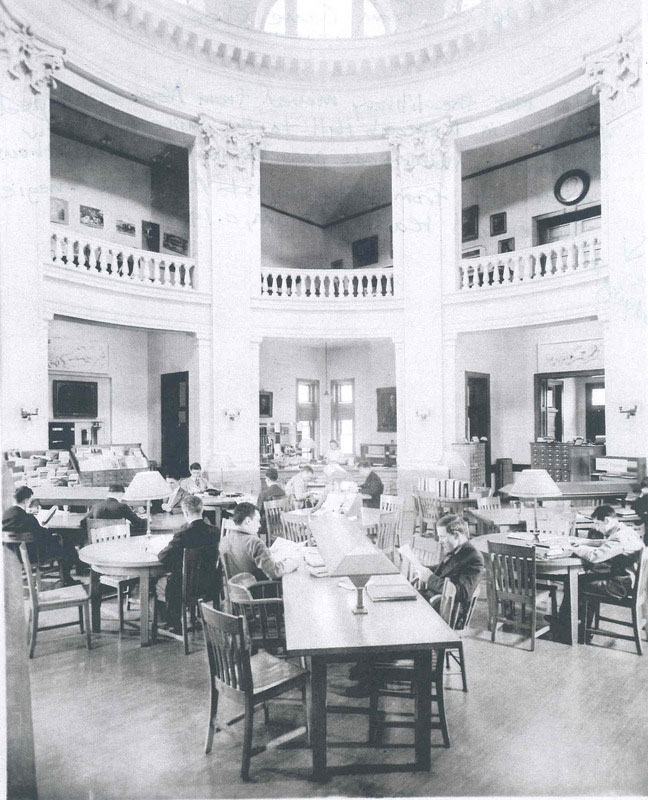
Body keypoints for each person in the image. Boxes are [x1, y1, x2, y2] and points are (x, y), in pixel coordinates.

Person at [552, 504, 644, 642]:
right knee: (583, 580)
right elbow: (606, 543)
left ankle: (567, 629)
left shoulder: (620, 537)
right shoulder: (625, 531)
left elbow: (595, 556)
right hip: (627, 580)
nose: (596, 528)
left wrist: (572, 548)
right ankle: (574, 625)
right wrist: (585, 542)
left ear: (607, 520)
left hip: (620, 586)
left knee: (574, 582)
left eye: (597, 523)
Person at [155, 494, 220, 633]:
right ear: (202, 510)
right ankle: (194, 617)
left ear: (185, 512)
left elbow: (163, 557)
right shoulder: (215, 531)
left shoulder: (183, 535)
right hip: (211, 583)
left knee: (158, 583)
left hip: (187, 587)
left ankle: (172, 623)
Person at [2, 485, 84, 586]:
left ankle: (79, 566)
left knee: (62, 541)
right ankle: (68, 578)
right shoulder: (27, 518)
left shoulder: (6, 514)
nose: (30, 504)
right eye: (30, 501)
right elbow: (42, 536)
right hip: (33, 555)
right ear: (25, 501)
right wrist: (52, 531)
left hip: (12, 555)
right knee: (66, 543)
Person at [416, 514, 484, 623]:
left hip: (448, 610)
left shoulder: (474, 557)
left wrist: (429, 579)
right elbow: (443, 569)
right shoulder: (456, 549)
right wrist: (421, 567)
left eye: (443, 537)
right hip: (436, 601)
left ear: (456, 535)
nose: (440, 541)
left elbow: (462, 593)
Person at [219, 502, 297, 582]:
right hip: (260, 590)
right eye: (257, 521)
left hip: (238, 591)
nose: (260, 525)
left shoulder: (224, 540)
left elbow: (245, 554)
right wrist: (293, 562)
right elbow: (274, 572)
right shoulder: (255, 542)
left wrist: (267, 551)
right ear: (248, 521)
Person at [82, 483, 147, 535]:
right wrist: (147, 520)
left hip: (100, 543)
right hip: (118, 541)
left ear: (108, 494)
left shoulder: (96, 506)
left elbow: (83, 522)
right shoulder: (122, 506)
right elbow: (138, 522)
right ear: (121, 494)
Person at [256, 467, 286, 541]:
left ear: (268, 479)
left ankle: (262, 544)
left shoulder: (264, 494)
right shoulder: (283, 492)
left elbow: (258, 511)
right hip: (281, 523)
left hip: (267, 525)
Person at [631, 476, 648, 543]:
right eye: (644, 487)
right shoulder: (644, 497)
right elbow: (633, 507)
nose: (644, 489)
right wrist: (641, 495)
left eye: (646, 487)